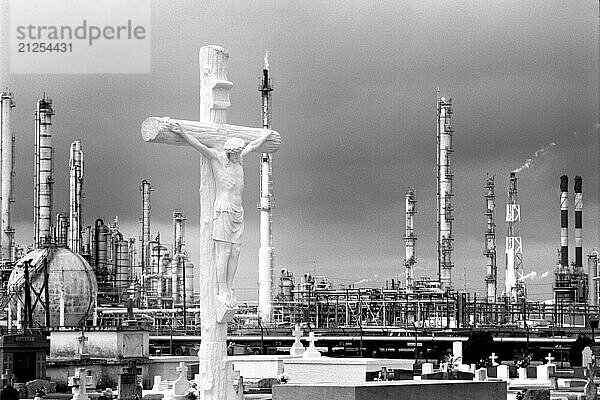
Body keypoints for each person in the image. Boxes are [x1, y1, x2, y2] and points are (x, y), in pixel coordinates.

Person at [168, 122, 272, 306]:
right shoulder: (217, 159)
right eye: (237, 152)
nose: (239, 154)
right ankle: (222, 289)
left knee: (236, 251)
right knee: (223, 252)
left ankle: (229, 287)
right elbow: (198, 145)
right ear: (230, 151)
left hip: (238, 211)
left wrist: (266, 135)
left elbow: (253, 145)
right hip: (223, 209)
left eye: (240, 151)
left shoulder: (239, 161)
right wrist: (183, 132)